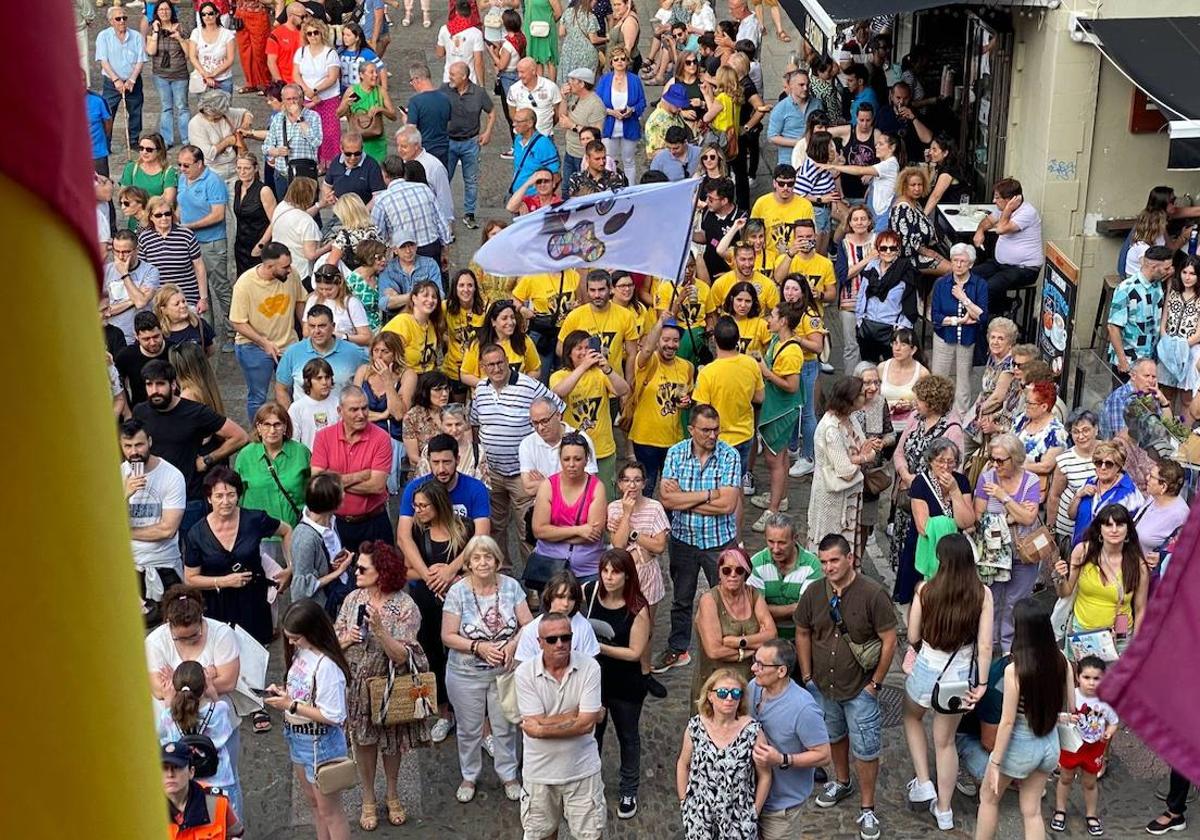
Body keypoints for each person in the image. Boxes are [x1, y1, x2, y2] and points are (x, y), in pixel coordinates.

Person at [795, 534, 898, 840]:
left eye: (834, 560)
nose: (828, 567)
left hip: (860, 688)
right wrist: (808, 674)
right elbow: (802, 630)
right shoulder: (814, 593)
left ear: (850, 558)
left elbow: (890, 639)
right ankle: (842, 782)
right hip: (824, 687)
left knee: (866, 749)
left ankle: (868, 807)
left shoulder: (873, 594)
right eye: (824, 561)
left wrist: (876, 683)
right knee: (835, 736)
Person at [332, 542, 428, 829]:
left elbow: (403, 656)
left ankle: (393, 793)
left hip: (388, 685)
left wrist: (380, 631)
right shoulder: (353, 599)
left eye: (362, 568)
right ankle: (368, 798)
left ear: (382, 572)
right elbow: (334, 642)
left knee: (392, 743)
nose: (355, 572)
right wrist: (347, 638)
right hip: (357, 685)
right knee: (363, 742)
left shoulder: (404, 606)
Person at [901, 534, 992, 829]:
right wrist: (982, 683)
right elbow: (986, 645)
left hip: (927, 666)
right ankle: (944, 810)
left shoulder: (926, 590)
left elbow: (913, 635)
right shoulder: (982, 594)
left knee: (912, 718)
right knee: (945, 742)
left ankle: (924, 781)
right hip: (959, 677)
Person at [441, 535, 533, 803]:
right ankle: (469, 775)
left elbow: (528, 624)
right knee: (469, 729)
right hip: (465, 673)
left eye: (488, 557)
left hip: (504, 671)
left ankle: (509, 775)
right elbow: (447, 635)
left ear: (497, 561)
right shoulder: (457, 591)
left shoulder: (511, 587)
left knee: (505, 727)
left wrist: (513, 645)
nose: (483, 563)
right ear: (468, 563)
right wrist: (477, 647)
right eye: (477, 558)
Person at [974, 599, 1074, 840]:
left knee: (988, 800)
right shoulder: (1062, 661)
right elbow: (1071, 708)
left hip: (1018, 747)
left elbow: (1007, 721)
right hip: (1049, 746)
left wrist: (996, 763)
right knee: (1031, 811)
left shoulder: (1015, 669)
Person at [653, 404, 740, 674]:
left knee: (728, 598)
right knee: (681, 599)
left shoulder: (730, 455)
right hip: (684, 539)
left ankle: (729, 647)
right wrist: (708, 495)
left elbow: (728, 505)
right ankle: (678, 648)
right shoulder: (676, 453)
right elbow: (666, 499)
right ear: (691, 430)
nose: (712, 436)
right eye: (705, 430)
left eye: (716, 430)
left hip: (720, 541)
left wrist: (686, 498)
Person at [262, 599, 353, 840]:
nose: (291, 643)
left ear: (312, 632)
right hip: (299, 737)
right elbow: (304, 693)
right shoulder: (303, 652)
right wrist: (286, 695)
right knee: (315, 805)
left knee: (330, 811)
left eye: (295, 638)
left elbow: (334, 715)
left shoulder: (328, 667)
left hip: (319, 742)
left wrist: (291, 704)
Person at [515, 610, 606, 839]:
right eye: (552, 639)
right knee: (543, 834)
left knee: (590, 835)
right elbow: (585, 719)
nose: (560, 644)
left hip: (583, 771)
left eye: (566, 637)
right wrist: (577, 715)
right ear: (539, 642)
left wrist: (542, 727)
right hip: (540, 774)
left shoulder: (590, 667)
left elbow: (586, 724)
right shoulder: (525, 673)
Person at [470, 346, 564, 561]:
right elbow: (474, 424)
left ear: (507, 361)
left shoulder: (529, 386)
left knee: (528, 530)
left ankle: (533, 584)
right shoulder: (480, 391)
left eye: (500, 362)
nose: (497, 368)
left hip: (523, 473)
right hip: (492, 472)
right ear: (483, 368)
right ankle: (502, 577)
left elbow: (557, 409)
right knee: (494, 528)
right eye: (490, 365)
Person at [134, 359, 250, 532]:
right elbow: (135, 448)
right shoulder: (140, 412)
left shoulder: (195, 412)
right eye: (149, 385)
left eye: (160, 384)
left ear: (173, 385)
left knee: (192, 556)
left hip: (189, 499)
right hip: (154, 497)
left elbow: (240, 436)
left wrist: (208, 459)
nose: (154, 390)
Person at [183, 466, 292, 645]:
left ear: (238, 496)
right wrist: (224, 581)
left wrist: (290, 567)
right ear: (209, 499)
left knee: (256, 660)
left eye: (231, 495)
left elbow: (286, 530)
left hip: (253, 603)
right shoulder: (197, 534)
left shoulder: (254, 520)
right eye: (219, 496)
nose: (225, 501)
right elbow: (190, 578)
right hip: (217, 607)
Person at [584, 549, 652, 818]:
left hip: (626, 683)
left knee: (627, 736)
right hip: (595, 682)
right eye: (605, 571)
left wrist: (597, 647)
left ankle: (628, 788)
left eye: (615, 572)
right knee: (592, 736)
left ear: (627, 575)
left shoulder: (637, 607)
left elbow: (634, 652)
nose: (609, 577)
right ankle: (590, 783)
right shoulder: (589, 593)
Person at [748, 638, 832, 839]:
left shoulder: (803, 708)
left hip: (781, 809)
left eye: (761, 664)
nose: (753, 668)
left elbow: (823, 755)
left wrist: (783, 759)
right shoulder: (754, 687)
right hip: (750, 798)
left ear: (781, 671)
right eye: (754, 660)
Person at [676, 668, 771, 839]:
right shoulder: (696, 727)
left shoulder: (752, 732)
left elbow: (765, 776)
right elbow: (683, 764)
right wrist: (685, 803)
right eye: (722, 692)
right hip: (700, 818)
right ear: (710, 696)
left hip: (738, 820)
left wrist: (753, 813)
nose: (729, 698)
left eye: (735, 693)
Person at [972, 433, 1043, 652]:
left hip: (1023, 554)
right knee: (992, 602)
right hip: (993, 555)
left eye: (1001, 460)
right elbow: (979, 516)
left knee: (1015, 603)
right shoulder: (987, 478)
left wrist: (1004, 497)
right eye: (993, 459)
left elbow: (1029, 518)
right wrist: (1012, 515)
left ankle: (1008, 650)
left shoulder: (1031, 481)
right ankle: (988, 646)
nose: (995, 464)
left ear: (1015, 459)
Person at [894, 435, 975, 608]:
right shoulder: (920, 483)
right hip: (926, 549)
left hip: (955, 554)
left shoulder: (961, 482)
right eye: (940, 461)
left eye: (951, 462)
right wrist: (952, 523)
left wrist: (954, 492)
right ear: (930, 461)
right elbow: (923, 527)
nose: (946, 467)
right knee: (921, 600)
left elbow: (966, 521)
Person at [228, 243, 305, 423]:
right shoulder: (245, 284)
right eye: (285, 267)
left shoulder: (291, 275)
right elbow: (238, 322)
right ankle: (258, 435)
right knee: (258, 396)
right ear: (270, 267)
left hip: (288, 344)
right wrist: (264, 343)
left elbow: (301, 299)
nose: (289, 270)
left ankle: (292, 430)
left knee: (294, 390)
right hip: (253, 347)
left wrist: (304, 324)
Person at [311, 385, 395, 547]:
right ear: (340, 411)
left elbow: (377, 486)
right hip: (336, 524)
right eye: (354, 410)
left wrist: (332, 481)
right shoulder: (323, 437)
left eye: (364, 408)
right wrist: (359, 476)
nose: (361, 415)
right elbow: (317, 482)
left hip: (374, 523)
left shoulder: (381, 438)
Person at [690, 545, 776, 705]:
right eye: (727, 570)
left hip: (749, 683)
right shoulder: (709, 600)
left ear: (746, 574)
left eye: (739, 570)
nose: (733, 575)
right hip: (716, 685)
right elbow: (714, 651)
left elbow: (772, 635)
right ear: (719, 573)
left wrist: (737, 642)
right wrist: (750, 651)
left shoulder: (753, 595)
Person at [1056, 504, 1149, 647]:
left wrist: (1135, 646)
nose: (1114, 530)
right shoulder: (1082, 552)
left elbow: (1140, 608)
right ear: (1100, 529)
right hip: (1082, 635)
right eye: (1108, 525)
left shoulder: (1138, 565)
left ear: (1128, 530)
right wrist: (1060, 578)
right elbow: (1066, 592)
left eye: (1119, 525)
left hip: (1118, 638)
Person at [157, 660, 241, 819]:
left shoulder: (168, 717)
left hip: (188, 784)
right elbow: (226, 732)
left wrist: (169, 704)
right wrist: (213, 693)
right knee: (223, 824)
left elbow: (165, 742)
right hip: (219, 779)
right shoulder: (219, 709)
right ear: (204, 687)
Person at [551, 330, 631, 494]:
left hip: (603, 449)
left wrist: (608, 369)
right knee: (575, 496)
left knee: (605, 497)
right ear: (569, 353)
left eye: (587, 348)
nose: (584, 352)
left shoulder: (600, 373)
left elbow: (623, 390)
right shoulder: (559, 375)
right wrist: (584, 366)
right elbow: (559, 392)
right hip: (574, 451)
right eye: (579, 348)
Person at [120, 418, 186, 616]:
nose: (134, 452)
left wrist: (125, 532)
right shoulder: (117, 474)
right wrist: (124, 495)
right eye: (128, 446)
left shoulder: (172, 476)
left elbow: (167, 529)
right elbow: (105, 524)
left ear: (149, 441)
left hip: (164, 564)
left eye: (139, 444)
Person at [808, 376, 879, 553]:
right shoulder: (831, 429)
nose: (867, 396)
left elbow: (864, 447)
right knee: (830, 546)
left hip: (849, 496)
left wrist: (858, 457)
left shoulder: (850, 419)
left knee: (845, 548)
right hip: (832, 499)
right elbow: (845, 470)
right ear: (849, 399)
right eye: (862, 394)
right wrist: (863, 458)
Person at [1051, 655, 1120, 836]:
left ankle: (1091, 814)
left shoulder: (1105, 701)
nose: (1091, 683)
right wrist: (1066, 717)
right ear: (1077, 677)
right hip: (1072, 745)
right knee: (1065, 778)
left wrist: (1109, 732)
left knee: (1090, 782)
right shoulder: (1071, 695)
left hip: (1094, 748)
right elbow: (1054, 714)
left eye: (1096, 678)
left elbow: (1114, 721)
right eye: (1086, 677)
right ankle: (1060, 810)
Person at [627, 311, 694, 493]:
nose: (671, 345)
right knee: (646, 488)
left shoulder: (686, 367)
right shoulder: (647, 362)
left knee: (671, 490)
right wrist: (660, 322)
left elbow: (686, 399)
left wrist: (686, 402)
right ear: (657, 340)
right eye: (665, 340)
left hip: (674, 440)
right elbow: (647, 349)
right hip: (646, 438)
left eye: (675, 340)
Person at [751, 301, 805, 519]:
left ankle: (772, 510)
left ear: (783, 321)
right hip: (776, 407)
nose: (768, 320)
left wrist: (766, 372)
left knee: (774, 459)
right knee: (780, 456)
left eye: (772, 316)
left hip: (782, 410)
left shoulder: (792, 352)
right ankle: (779, 497)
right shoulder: (776, 340)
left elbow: (791, 386)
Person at [531, 432, 608, 582]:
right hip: (550, 565)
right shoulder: (548, 485)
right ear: (560, 460)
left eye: (577, 459)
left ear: (586, 460)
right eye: (566, 459)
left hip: (587, 568)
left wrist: (553, 535)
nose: (571, 464)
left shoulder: (597, 487)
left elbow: (593, 535)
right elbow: (539, 530)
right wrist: (579, 530)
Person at [972, 178, 1045, 323]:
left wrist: (1007, 210)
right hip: (1002, 264)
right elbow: (988, 221)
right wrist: (979, 231)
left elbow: (1000, 229)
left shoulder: (1027, 213)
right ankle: (1005, 306)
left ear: (1011, 200)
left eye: (997, 198)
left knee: (989, 287)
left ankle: (992, 319)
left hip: (1025, 268)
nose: (994, 201)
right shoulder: (1002, 209)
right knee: (970, 276)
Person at [176, 146, 230, 341]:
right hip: (190, 243)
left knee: (221, 288)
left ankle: (234, 331)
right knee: (200, 291)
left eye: (186, 165)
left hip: (211, 244)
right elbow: (180, 206)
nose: (182, 168)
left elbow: (218, 214)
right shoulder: (183, 179)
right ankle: (207, 333)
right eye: (180, 164)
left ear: (199, 164)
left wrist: (188, 227)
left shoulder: (213, 181)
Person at [930, 243, 988, 414]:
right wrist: (959, 320)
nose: (958, 264)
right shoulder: (941, 284)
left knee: (964, 380)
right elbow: (936, 317)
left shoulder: (979, 284)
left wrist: (964, 299)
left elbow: (982, 316)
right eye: (955, 260)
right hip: (944, 336)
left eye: (963, 261)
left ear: (971, 264)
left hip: (967, 338)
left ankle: (960, 417)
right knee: (939, 378)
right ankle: (937, 413)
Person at [745, 513, 822, 642]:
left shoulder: (813, 565)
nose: (775, 549)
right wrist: (793, 608)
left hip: (805, 636)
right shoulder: (756, 564)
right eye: (771, 542)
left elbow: (807, 612)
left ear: (795, 538)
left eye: (782, 543)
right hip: (766, 638)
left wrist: (767, 610)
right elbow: (753, 611)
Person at [289, 472, 354, 614]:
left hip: (337, 597)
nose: (344, 494)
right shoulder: (305, 538)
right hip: (319, 611)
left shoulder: (331, 521)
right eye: (340, 492)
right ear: (331, 503)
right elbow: (301, 590)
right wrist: (339, 571)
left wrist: (334, 562)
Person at [1108, 245, 1174, 381]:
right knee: (1125, 401)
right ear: (1154, 267)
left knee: (1144, 401)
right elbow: (1113, 327)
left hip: (1148, 359)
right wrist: (1122, 360)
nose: (1170, 271)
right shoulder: (1126, 289)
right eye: (1166, 268)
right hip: (1130, 360)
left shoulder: (1156, 285)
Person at [372, 155, 452, 265]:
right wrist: (445, 248)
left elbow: (378, 234)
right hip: (431, 248)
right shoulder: (424, 189)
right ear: (404, 171)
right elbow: (441, 222)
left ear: (385, 175)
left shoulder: (382, 200)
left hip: (403, 252)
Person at [853, 230, 918, 363]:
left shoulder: (905, 271)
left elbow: (910, 303)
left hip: (891, 328)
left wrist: (900, 328)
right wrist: (859, 320)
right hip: (868, 326)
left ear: (898, 250)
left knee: (892, 368)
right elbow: (862, 295)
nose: (888, 251)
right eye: (883, 248)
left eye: (892, 248)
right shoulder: (871, 268)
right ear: (878, 249)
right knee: (868, 367)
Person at [139, 196, 208, 314]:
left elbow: (199, 267)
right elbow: (142, 271)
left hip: (187, 299)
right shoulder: (144, 238)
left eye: (167, 213)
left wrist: (203, 298)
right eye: (158, 215)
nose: (164, 218)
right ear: (151, 217)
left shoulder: (186, 235)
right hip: (159, 302)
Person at [162, 740, 242, 839]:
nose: (170, 774)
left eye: (177, 767)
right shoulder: (148, 809)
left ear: (191, 772)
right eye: (164, 768)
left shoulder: (216, 801)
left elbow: (235, 834)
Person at [1068, 439, 1144, 543]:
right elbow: (1071, 516)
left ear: (1118, 466)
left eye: (1108, 464)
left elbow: (1133, 533)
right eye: (1099, 463)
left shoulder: (1130, 493)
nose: (1102, 468)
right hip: (1079, 550)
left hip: (1106, 555)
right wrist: (1078, 496)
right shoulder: (1090, 481)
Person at [97, 5, 147, 153]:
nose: (122, 21)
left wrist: (131, 80)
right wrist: (116, 80)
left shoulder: (136, 36)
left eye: (124, 18)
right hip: (112, 82)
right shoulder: (103, 36)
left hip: (133, 81)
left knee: (135, 112)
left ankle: (133, 141)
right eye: (118, 19)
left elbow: (140, 60)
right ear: (111, 21)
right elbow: (103, 61)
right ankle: (106, 144)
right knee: (107, 113)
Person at [964, 317, 1021, 447]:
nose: (995, 342)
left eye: (1001, 338)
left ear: (1010, 342)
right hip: (984, 410)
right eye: (993, 337)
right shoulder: (993, 355)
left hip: (999, 418)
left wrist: (977, 413)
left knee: (965, 446)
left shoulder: (1010, 365)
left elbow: (997, 398)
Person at [145, 1, 190, 149]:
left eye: (167, 9)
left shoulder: (181, 27)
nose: (164, 12)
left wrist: (180, 38)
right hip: (161, 75)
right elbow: (151, 51)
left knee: (182, 107)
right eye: (161, 9)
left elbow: (189, 53)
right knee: (166, 107)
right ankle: (167, 139)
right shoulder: (152, 29)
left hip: (180, 75)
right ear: (156, 12)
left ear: (172, 11)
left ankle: (186, 139)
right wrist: (157, 32)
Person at [263, 84, 323, 191]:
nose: (292, 102)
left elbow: (317, 142)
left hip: (304, 174)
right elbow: (266, 146)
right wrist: (276, 151)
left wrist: (299, 118)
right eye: (288, 99)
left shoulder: (313, 116)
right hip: (282, 174)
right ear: (283, 101)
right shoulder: (278, 118)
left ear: (302, 99)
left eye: (295, 98)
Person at [232, 154, 276, 277]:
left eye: (246, 168)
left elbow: (274, 221)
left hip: (259, 244)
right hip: (241, 245)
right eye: (239, 168)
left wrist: (261, 245)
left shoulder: (264, 190)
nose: (242, 172)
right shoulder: (238, 186)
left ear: (255, 169)